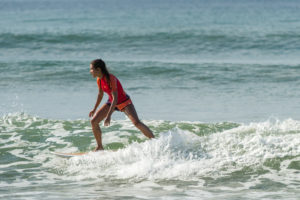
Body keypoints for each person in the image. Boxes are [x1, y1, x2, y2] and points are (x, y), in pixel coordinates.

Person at [89, 59, 155, 151]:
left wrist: (108, 116)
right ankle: (100, 147)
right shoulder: (99, 80)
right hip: (111, 101)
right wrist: (94, 109)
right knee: (94, 121)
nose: (90, 71)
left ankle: (155, 142)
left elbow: (115, 98)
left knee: (136, 122)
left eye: (91, 69)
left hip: (123, 101)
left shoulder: (111, 78)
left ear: (98, 69)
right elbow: (100, 95)